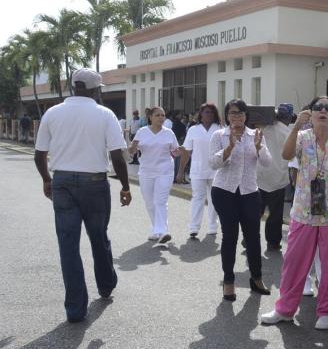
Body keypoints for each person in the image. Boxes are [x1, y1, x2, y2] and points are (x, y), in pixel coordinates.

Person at [33, 68, 132, 323]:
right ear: (96, 90)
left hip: (63, 182)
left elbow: (39, 154)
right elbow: (117, 156)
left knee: (68, 246)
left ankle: (75, 310)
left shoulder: (53, 113)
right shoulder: (105, 114)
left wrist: (47, 180)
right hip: (95, 183)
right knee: (98, 236)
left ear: (74, 87)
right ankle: (106, 284)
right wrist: (125, 186)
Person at [260, 96, 328, 329]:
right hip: (304, 209)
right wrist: (296, 125)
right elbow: (286, 155)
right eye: (318, 107)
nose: (323, 111)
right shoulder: (301, 136)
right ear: (311, 112)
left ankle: (326, 310)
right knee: (294, 261)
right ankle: (285, 309)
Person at [209, 99, 272, 302]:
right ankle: (229, 281)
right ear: (227, 116)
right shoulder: (219, 135)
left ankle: (256, 278)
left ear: (246, 116)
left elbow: (267, 162)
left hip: (249, 191)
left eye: (241, 113)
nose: (237, 116)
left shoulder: (256, 135)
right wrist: (228, 148)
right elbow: (212, 164)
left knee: (253, 237)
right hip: (224, 191)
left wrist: (259, 147)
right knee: (230, 237)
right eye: (232, 113)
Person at [128, 106, 180, 244]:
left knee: (160, 201)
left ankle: (162, 231)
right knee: (149, 202)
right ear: (150, 117)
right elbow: (132, 150)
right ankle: (157, 231)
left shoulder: (169, 133)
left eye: (163, 115)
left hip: (165, 171)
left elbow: (175, 151)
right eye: (158, 115)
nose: (161, 118)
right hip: (146, 171)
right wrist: (132, 148)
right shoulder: (142, 132)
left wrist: (178, 152)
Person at [177, 102, 223, 238]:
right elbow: (186, 152)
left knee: (214, 199)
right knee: (198, 198)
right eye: (206, 112)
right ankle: (194, 227)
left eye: (211, 112)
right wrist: (180, 171)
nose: (209, 114)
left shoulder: (220, 129)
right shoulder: (193, 130)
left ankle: (212, 226)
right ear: (200, 114)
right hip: (198, 170)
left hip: (216, 170)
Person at [256, 103, 294, 251]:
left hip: (260, 176)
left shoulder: (264, 128)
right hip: (278, 178)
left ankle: (249, 239)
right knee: (275, 213)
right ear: (290, 117)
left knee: (255, 212)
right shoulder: (289, 133)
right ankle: (273, 242)